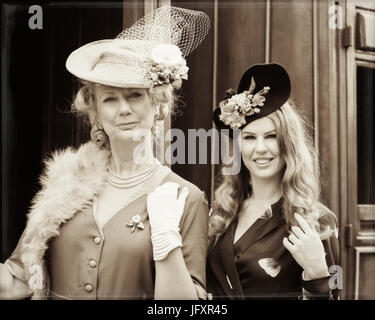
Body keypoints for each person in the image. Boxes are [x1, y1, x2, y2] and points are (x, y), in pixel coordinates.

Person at [0, 6, 210, 300]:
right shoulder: (66, 183)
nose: (124, 109)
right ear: (95, 112)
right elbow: (16, 282)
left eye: (135, 95)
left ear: (159, 105)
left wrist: (165, 238)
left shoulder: (186, 198)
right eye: (110, 99)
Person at [206, 63, 339, 299]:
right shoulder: (222, 211)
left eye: (271, 136)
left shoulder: (316, 221)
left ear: (288, 143)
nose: (260, 148)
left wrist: (317, 272)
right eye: (249, 137)